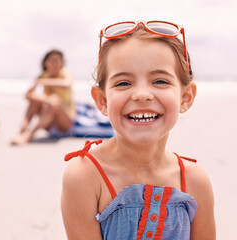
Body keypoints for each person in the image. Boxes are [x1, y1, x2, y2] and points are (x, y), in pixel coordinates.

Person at [61, 21, 215, 239]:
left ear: (185, 97)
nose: (142, 94)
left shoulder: (195, 181)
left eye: (160, 81)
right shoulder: (86, 176)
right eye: (123, 83)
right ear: (102, 100)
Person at [11, 49, 76, 145]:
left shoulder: (65, 73)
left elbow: (67, 84)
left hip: (64, 120)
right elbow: (27, 95)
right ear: (46, 63)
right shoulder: (43, 76)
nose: (55, 64)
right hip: (48, 117)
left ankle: (30, 134)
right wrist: (44, 99)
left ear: (62, 63)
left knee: (55, 99)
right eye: (51, 61)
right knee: (36, 101)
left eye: (57, 61)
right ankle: (23, 130)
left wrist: (41, 82)